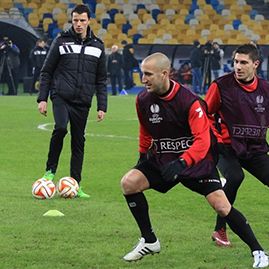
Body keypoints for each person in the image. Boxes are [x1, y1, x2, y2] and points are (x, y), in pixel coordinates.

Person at [120, 52, 268, 268]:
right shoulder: (142, 99)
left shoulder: (190, 101)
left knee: (221, 205)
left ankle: (258, 251)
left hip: (197, 162)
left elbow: (202, 141)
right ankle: (149, 241)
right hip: (165, 160)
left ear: (165, 74)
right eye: (143, 74)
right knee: (129, 183)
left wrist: (183, 161)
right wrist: (143, 157)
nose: (143, 79)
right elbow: (145, 131)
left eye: (148, 74)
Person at [37, 4, 107, 198]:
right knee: (60, 128)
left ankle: (75, 183)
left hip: (83, 101)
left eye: (82, 20)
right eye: (75, 20)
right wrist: (42, 99)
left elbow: (101, 79)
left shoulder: (98, 46)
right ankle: (49, 172)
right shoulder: (61, 41)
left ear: (89, 21)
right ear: (72, 20)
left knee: (78, 141)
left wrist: (102, 106)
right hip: (61, 96)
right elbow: (46, 71)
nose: (78, 24)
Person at [205, 43, 269, 249]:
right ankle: (220, 229)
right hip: (226, 147)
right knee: (234, 176)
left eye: (243, 62)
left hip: (255, 148)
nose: (238, 67)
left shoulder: (266, 90)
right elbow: (205, 114)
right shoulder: (221, 86)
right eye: (235, 62)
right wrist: (214, 140)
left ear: (255, 64)